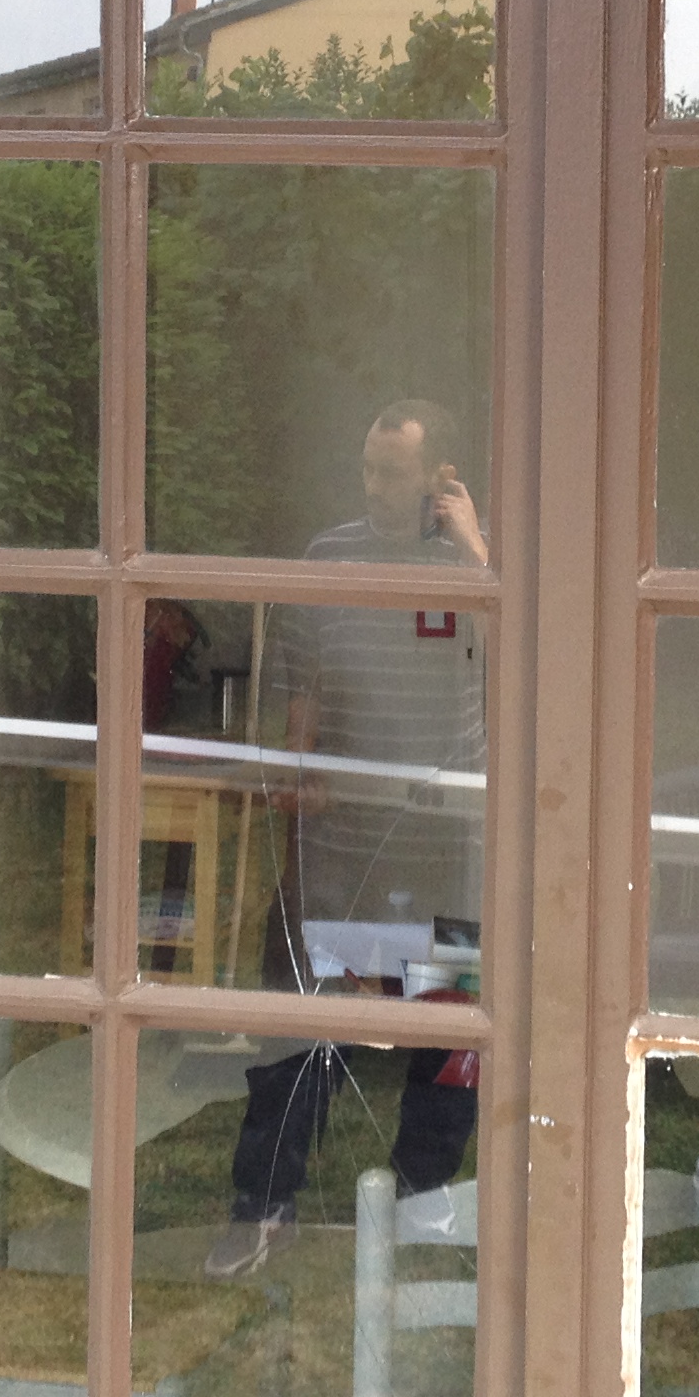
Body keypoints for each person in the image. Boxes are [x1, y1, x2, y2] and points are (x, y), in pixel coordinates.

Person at [203, 398, 490, 1280]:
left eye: (392, 473)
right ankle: (264, 1203)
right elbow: (304, 688)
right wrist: (300, 778)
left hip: (442, 842)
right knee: (296, 1025)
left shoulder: (472, 566)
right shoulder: (328, 559)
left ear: (440, 479)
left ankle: (422, 1194)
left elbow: (526, 664)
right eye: (368, 468)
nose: (374, 485)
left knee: (447, 1031)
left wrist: (477, 554)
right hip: (339, 846)